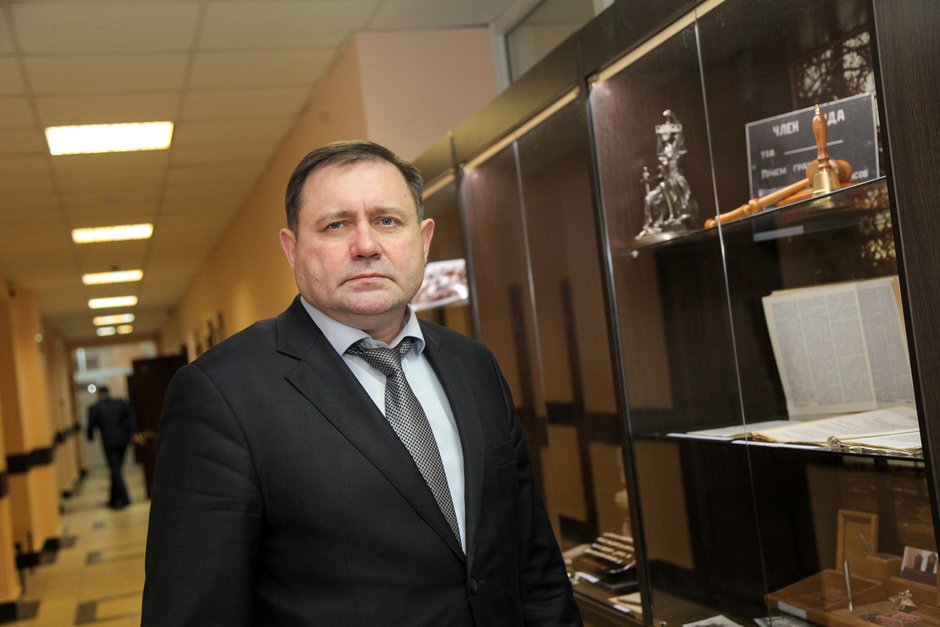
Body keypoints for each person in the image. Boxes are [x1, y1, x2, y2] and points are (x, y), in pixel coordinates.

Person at [141, 140, 582, 626]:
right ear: (292, 248)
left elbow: (534, 565)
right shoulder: (221, 394)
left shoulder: (474, 365)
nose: (366, 245)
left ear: (424, 240)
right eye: (336, 225)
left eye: (387, 221)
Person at [86, 385, 139, 509]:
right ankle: (113, 499)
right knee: (116, 469)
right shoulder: (120, 403)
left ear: (98, 394)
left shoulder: (95, 408)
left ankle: (125, 499)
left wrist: (90, 436)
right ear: (109, 392)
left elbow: (91, 426)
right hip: (123, 441)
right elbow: (131, 417)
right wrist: (133, 433)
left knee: (115, 470)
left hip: (109, 443)